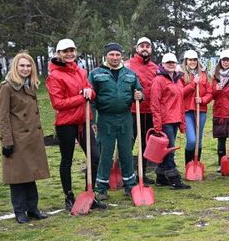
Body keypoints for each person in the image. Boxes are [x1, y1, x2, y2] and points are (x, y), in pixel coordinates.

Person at [46, 38, 105, 211]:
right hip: (66, 124)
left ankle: (90, 192)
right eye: (65, 51)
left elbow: (91, 93)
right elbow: (58, 103)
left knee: (95, 157)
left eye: (72, 50)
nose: (69, 54)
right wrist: (82, 96)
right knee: (67, 160)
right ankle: (68, 195)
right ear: (58, 54)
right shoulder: (54, 76)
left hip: (84, 121)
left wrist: (89, 93)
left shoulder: (81, 72)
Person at [0, 52, 50, 223]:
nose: (25, 69)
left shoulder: (31, 85)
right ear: (15, 67)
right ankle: (20, 211)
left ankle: (33, 209)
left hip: (31, 138)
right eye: (22, 66)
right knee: (18, 177)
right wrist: (7, 141)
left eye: (28, 66)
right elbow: (3, 116)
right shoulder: (7, 87)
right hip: (17, 139)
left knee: (30, 175)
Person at [88, 43, 143, 200]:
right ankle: (102, 188)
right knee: (105, 152)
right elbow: (91, 99)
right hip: (105, 118)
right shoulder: (96, 74)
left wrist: (139, 95)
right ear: (106, 55)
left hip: (125, 117)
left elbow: (138, 91)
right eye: (112, 54)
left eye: (117, 55)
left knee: (126, 152)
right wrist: (92, 118)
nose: (115, 57)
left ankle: (129, 185)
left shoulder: (130, 74)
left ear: (122, 56)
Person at [150, 53, 190, 189]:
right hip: (165, 120)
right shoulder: (158, 80)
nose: (171, 64)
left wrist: (182, 122)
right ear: (163, 64)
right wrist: (157, 123)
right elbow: (155, 103)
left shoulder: (178, 80)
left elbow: (180, 102)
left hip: (175, 118)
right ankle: (174, 178)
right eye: (168, 62)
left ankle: (161, 177)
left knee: (166, 150)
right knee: (169, 150)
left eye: (173, 62)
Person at [125, 37, 157, 184]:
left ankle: (142, 173)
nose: (145, 48)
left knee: (146, 144)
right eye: (142, 46)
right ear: (137, 49)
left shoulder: (155, 68)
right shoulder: (128, 65)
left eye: (147, 46)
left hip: (148, 111)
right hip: (132, 111)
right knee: (128, 143)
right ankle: (127, 175)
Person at [181, 49, 212, 167]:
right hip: (187, 110)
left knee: (198, 140)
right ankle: (188, 165)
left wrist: (202, 100)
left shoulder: (203, 75)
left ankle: (196, 165)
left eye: (194, 60)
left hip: (201, 110)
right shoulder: (181, 75)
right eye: (190, 60)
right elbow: (180, 93)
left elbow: (210, 93)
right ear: (186, 61)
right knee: (192, 140)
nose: (192, 62)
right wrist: (193, 84)